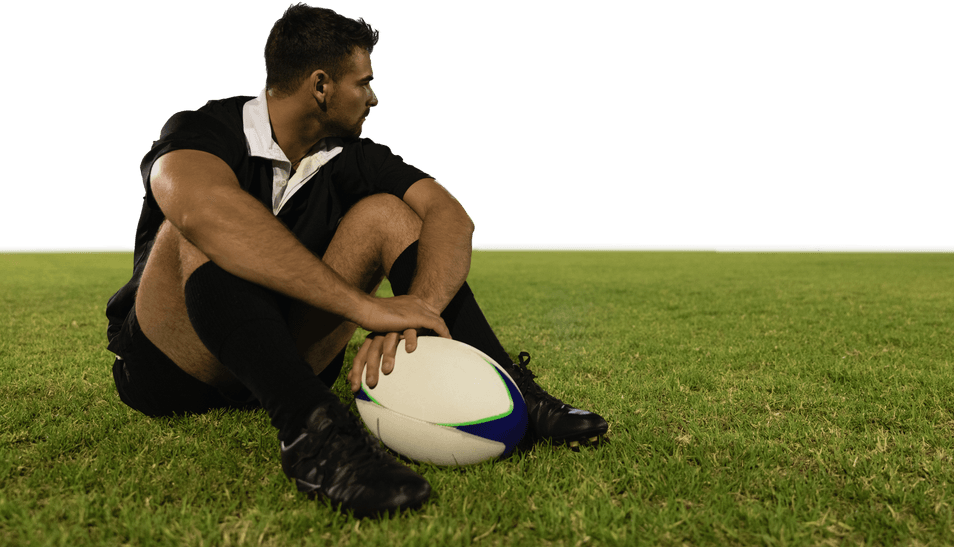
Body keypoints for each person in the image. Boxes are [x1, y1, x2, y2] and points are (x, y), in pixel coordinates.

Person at [104, 3, 608, 519]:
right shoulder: (200, 129)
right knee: (200, 228)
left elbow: (450, 215)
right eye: (363, 83)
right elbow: (201, 209)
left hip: (285, 351)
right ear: (321, 85)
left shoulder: (353, 156)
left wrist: (418, 305)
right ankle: (315, 438)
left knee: (388, 214)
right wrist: (364, 308)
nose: (373, 96)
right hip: (172, 370)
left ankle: (516, 391)